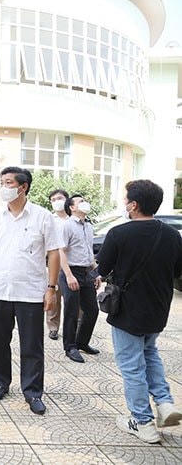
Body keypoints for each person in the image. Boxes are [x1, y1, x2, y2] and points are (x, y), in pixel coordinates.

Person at [97, 179, 182, 444]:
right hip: (158, 308)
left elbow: (102, 269)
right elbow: (177, 271)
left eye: (126, 200)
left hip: (128, 311)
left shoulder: (118, 234)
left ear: (133, 205)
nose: (124, 204)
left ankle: (142, 422)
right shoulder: (173, 235)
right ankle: (165, 403)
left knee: (132, 366)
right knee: (149, 353)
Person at [0, 166, 61, 415]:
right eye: (2, 182)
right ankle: (0, 383)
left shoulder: (42, 216)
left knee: (32, 345)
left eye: (8, 183)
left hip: (31, 292)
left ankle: (33, 392)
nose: (3, 188)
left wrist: (51, 288)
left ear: (23, 187)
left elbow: (54, 252)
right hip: (0, 290)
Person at [58, 194, 100, 363]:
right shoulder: (66, 225)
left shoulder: (88, 226)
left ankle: (82, 342)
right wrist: (69, 275)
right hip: (70, 271)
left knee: (92, 310)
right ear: (72, 207)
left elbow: (88, 252)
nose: (85, 203)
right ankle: (70, 347)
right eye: (80, 201)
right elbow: (60, 251)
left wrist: (96, 272)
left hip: (86, 272)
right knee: (71, 311)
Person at [47, 189, 70, 340]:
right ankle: (53, 327)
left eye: (60, 198)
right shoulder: (49, 219)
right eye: (53, 200)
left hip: (72, 264)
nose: (57, 202)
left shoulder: (74, 219)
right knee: (54, 296)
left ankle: (74, 327)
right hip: (54, 264)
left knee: (73, 300)